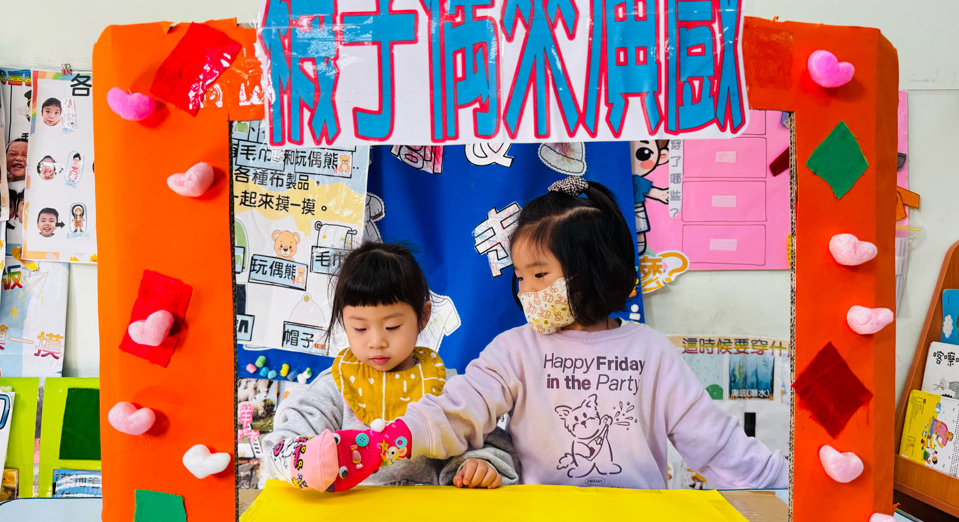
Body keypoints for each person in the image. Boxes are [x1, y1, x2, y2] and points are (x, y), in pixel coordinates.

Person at [300, 177, 788, 493]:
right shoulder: (514, 350)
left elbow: (715, 443)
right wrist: (387, 441)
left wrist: (786, 485)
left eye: (540, 275)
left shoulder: (652, 352)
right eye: (520, 276)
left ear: (593, 271)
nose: (526, 290)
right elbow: (459, 408)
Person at [261, 242, 517, 490]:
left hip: (431, 516)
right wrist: (302, 456)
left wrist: (478, 464)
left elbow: (493, 446)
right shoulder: (333, 388)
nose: (377, 342)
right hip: (351, 516)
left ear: (423, 316)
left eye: (392, 326)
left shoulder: (448, 388)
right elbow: (283, 446)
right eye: (360, 328)